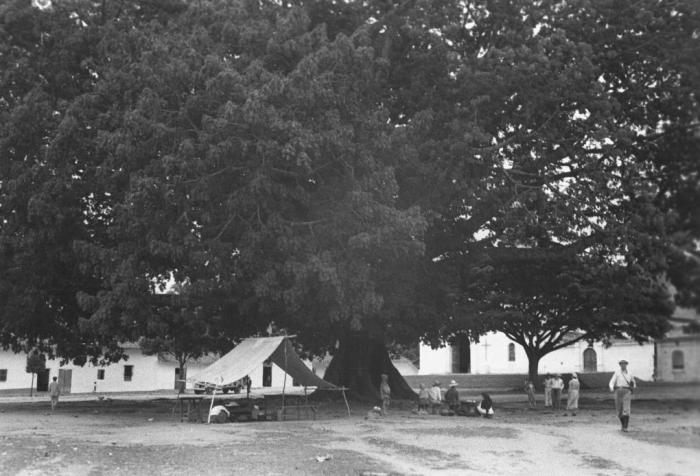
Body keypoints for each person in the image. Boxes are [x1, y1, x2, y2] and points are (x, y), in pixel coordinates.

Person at [609, 359, 636, 432]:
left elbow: (633, 382)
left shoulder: (630, 373)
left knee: (626, 409)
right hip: (618, 391)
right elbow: (612, 381)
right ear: (620, 365)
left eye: (624, 364)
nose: (623, 365)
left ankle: (625, 427)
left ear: (626, 365)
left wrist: (632, 388)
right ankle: (622, 425)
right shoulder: (617, 373)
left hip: (627, 391)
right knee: (619, 410)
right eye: (621, 364)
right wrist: (612, 388)